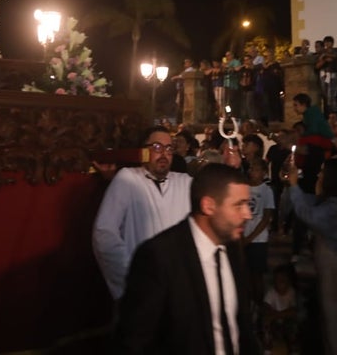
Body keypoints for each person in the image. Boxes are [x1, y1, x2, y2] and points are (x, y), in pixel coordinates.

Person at [112, 162, 262, 355]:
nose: (248, 214)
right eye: (238, 205)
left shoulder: (232, 248)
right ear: (208, 206)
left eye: (247, 204)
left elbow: (241, 327)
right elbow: (134, 341)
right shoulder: (159, 257)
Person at [92, 125, 193, 302]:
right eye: (156, 147)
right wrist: (132, 274)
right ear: (143, 151)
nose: (163, 154)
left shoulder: (184, 183)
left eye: (169, 148)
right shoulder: (128, 179)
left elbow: (212, 193)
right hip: (141, 285)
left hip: (177, 287)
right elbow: (104, 233)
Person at [283, 153, 337, 355]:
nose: (318, 176)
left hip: (333, 268)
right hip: (327, 266)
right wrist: (291, 184)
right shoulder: (328, 202)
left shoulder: (334, 206)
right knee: (328, 323)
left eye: (323, 172)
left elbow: (308, 214)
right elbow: (303, 203)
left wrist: (295, 185)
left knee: (335, 326)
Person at [241, 160, 275, 316]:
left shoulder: (266, 191)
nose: (252, 172)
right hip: (244, 236)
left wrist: (250, 237)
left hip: (258, 239)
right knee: (245, 274)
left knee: (257, 275)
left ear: (263, 172)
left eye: (256, 169)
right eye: (251, 168)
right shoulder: (244, 189)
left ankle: (259, 306)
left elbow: (266, 217)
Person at [260, 263, 300, 355]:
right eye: (277, 280)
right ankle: (267, 350)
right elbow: (266, 308)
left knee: (294, 326)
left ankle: (294, 350)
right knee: (265, 323)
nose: (279, 283)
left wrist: (277, 315)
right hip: (274, 322)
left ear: (289, 282)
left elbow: (293, 310)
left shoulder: (291, 292)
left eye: (282, 281)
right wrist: (274, 315)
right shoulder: (271, 293)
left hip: (285, 321)